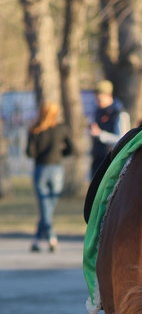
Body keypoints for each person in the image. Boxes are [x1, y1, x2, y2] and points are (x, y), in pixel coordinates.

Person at [26, 102, 73, 252]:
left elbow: (30, 153)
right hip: (56, 169)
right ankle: (50, 238)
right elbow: (72, 149)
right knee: (47, 206)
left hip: (41, 169)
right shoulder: (61, 129)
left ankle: (38, 239)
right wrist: (59, 154)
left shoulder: (35, 130)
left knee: (45, 207)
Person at [89, 80, 130, 178]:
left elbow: (122, 139)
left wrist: (100, 134)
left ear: (109, 96)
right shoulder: (98, 111)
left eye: (99, 99)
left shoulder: (120, 114)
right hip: (97, 161)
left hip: (112, 163)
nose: (97, 102)